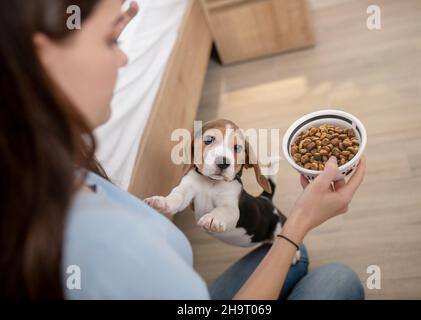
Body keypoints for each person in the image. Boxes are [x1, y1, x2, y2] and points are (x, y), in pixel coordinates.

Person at [0, 0, 366, 299]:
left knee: (300, 260)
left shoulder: (64, 167)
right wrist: (300, 222)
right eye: (111, 40)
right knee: (339, 279)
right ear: (45, 59)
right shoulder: (101, 248)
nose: (125, 58)